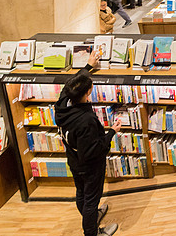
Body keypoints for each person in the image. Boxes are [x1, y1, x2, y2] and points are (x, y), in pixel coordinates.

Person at [55, 52, 119, 236]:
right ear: (87, 92)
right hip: (89, 166)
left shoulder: (62, 103)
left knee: (81, 192)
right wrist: (112, 132)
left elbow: (71, 83)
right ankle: (92, 232)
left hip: (74, 160)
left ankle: (89, 216)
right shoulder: (86, 120)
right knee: (91, 198)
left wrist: (88, 67)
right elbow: (95, 150)